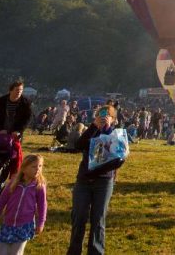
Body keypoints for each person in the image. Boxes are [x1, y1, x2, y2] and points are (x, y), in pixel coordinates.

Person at [67, 106, 123, 255]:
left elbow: (119, 160)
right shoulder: (91, 130)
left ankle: (96, 251)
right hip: (84, 180)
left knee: (98, 220)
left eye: (107, 115)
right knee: (78, 217)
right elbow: (78, 145)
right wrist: (93, 126)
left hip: (103, 181)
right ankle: (74, 251)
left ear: (113, 119)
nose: (103, 118)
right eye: (100, 115)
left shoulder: (115, 135)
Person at [0, 154, 47, 255]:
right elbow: (1, 203)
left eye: (40, 166)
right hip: (7, 225)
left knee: (16, 253)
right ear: (24, 168)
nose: (37, 169)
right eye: (34, 166)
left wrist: (41, 223)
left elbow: (42, 205)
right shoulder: (13, 183)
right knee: (0, 252)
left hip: (24, 226)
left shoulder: (39, 186)